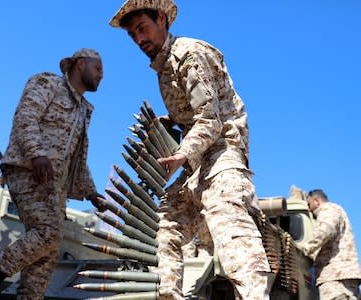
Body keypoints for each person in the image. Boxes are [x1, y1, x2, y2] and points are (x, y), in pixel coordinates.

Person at [109, 1, 271, 299]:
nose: (139, 39)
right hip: (198, 165)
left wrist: (182, 154)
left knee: (233, 234)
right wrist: (171, 120)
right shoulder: (164, 66)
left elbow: (211, 118)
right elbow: (194, 112)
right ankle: (169, 295)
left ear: (161, 19)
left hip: (222, 156)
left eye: (142, 28)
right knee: (169, 226)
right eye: (132, 35)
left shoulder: (189, 54)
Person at [0, 48, 106, 300]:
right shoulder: (48, 83)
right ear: (81, 64)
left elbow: (77, 159)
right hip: (29, 169)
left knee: (47, 251)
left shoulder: (82, 110)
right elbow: (26, 117)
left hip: (53, 185)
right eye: (98, 69)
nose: (102, 76)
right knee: (48, 232)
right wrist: (37, 154)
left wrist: (92, 193)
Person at [301, 189, 361, 300]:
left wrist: (305, 248)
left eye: (309, 204)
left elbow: (325, 231)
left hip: (335, 275)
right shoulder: (336, 210)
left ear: (316, 201)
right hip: (342, 275)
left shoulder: (328, 209)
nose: (309, 208)